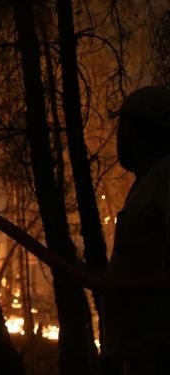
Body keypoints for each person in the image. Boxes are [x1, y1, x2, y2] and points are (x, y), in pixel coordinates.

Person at [103, 86, 170, 375]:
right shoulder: (149, 181)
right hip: (144, 346)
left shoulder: (165, 177)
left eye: (125, 126)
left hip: (159, 347)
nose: (120, 136)